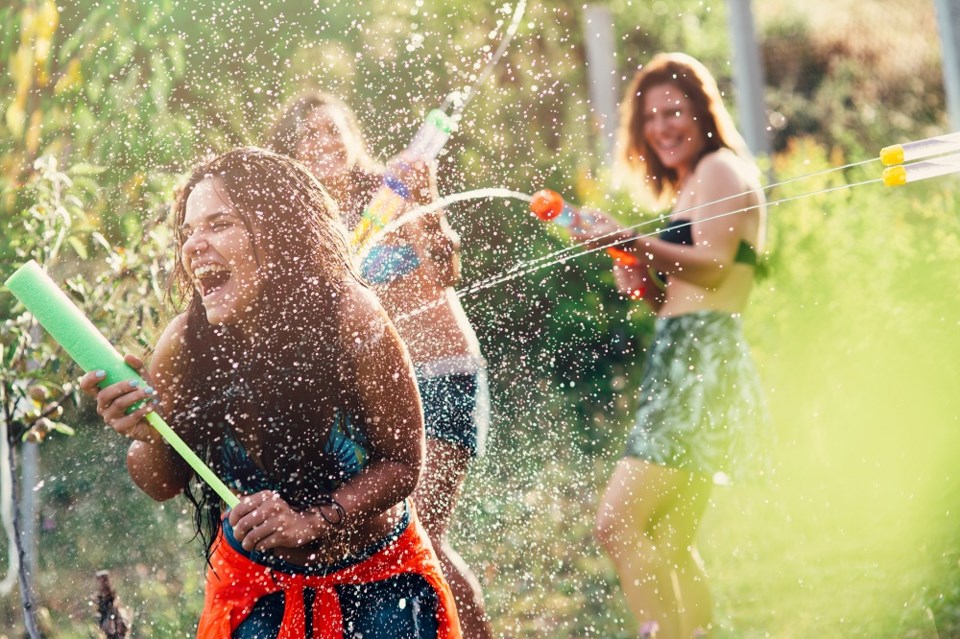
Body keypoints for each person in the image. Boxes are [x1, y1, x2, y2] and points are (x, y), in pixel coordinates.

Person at [79, 147, 461, 638]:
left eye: (219, 224)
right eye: (188, 232)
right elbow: (161, 483)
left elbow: (404, 463)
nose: (195, 245)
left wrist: (318, 520)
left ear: (278, 231)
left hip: (380, 588)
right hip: (257, 595)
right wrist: (149, 432)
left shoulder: (351, 318)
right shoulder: (186, 343)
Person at [268, 93, 494, 639]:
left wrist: (428, 197)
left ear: (352, 135)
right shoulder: (313, 227)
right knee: (388, 541)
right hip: (382, 397)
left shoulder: (392, 192)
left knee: (422, 535)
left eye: (330, 130)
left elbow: (445, 269)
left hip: (442, 376)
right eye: (306, 137)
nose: (321, 143)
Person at [574, 53, 768, 638]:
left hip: (702, 360)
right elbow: (688, 297)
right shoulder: (692, 186)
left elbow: (715, 269)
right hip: (690, 352)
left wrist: (632, 239)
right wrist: (645, 285)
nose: (662, 126)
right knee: (670, 540)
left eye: (674, 111)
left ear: (703, 115)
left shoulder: (719, 169)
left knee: (618, 524)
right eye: (651, 116)